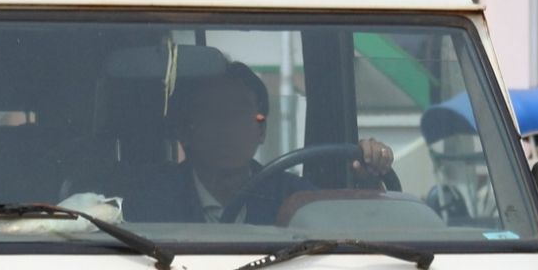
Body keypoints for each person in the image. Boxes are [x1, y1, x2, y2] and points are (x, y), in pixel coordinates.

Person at [132, 62, 395, 224]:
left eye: (240, 113)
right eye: (211, 113)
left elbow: (358, 236)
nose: (228, 126)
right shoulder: (150, 202)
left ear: (261, 130)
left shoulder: (294, 197)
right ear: (185, 132)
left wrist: (369, 178)